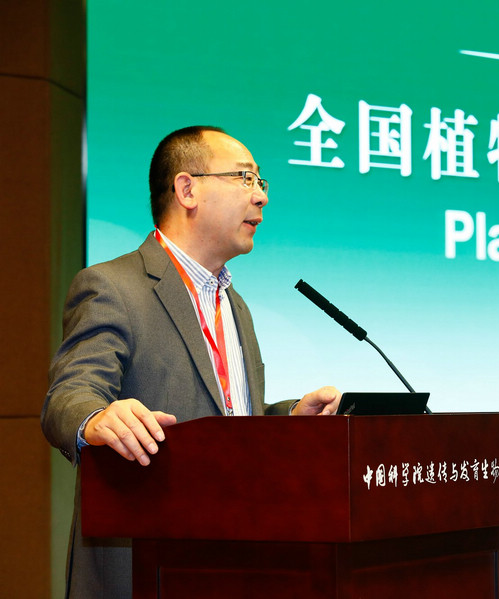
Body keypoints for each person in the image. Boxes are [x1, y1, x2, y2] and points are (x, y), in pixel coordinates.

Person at [40, 126, 340, 598]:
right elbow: (68, 395)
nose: (260, 196)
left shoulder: (234, 305)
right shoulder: (112, 287)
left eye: (261, 181)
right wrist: (97, 418)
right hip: (145, 568)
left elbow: (224, 427)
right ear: (187, 189)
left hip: (231, 566)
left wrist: (288, 420)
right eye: (245, 178)